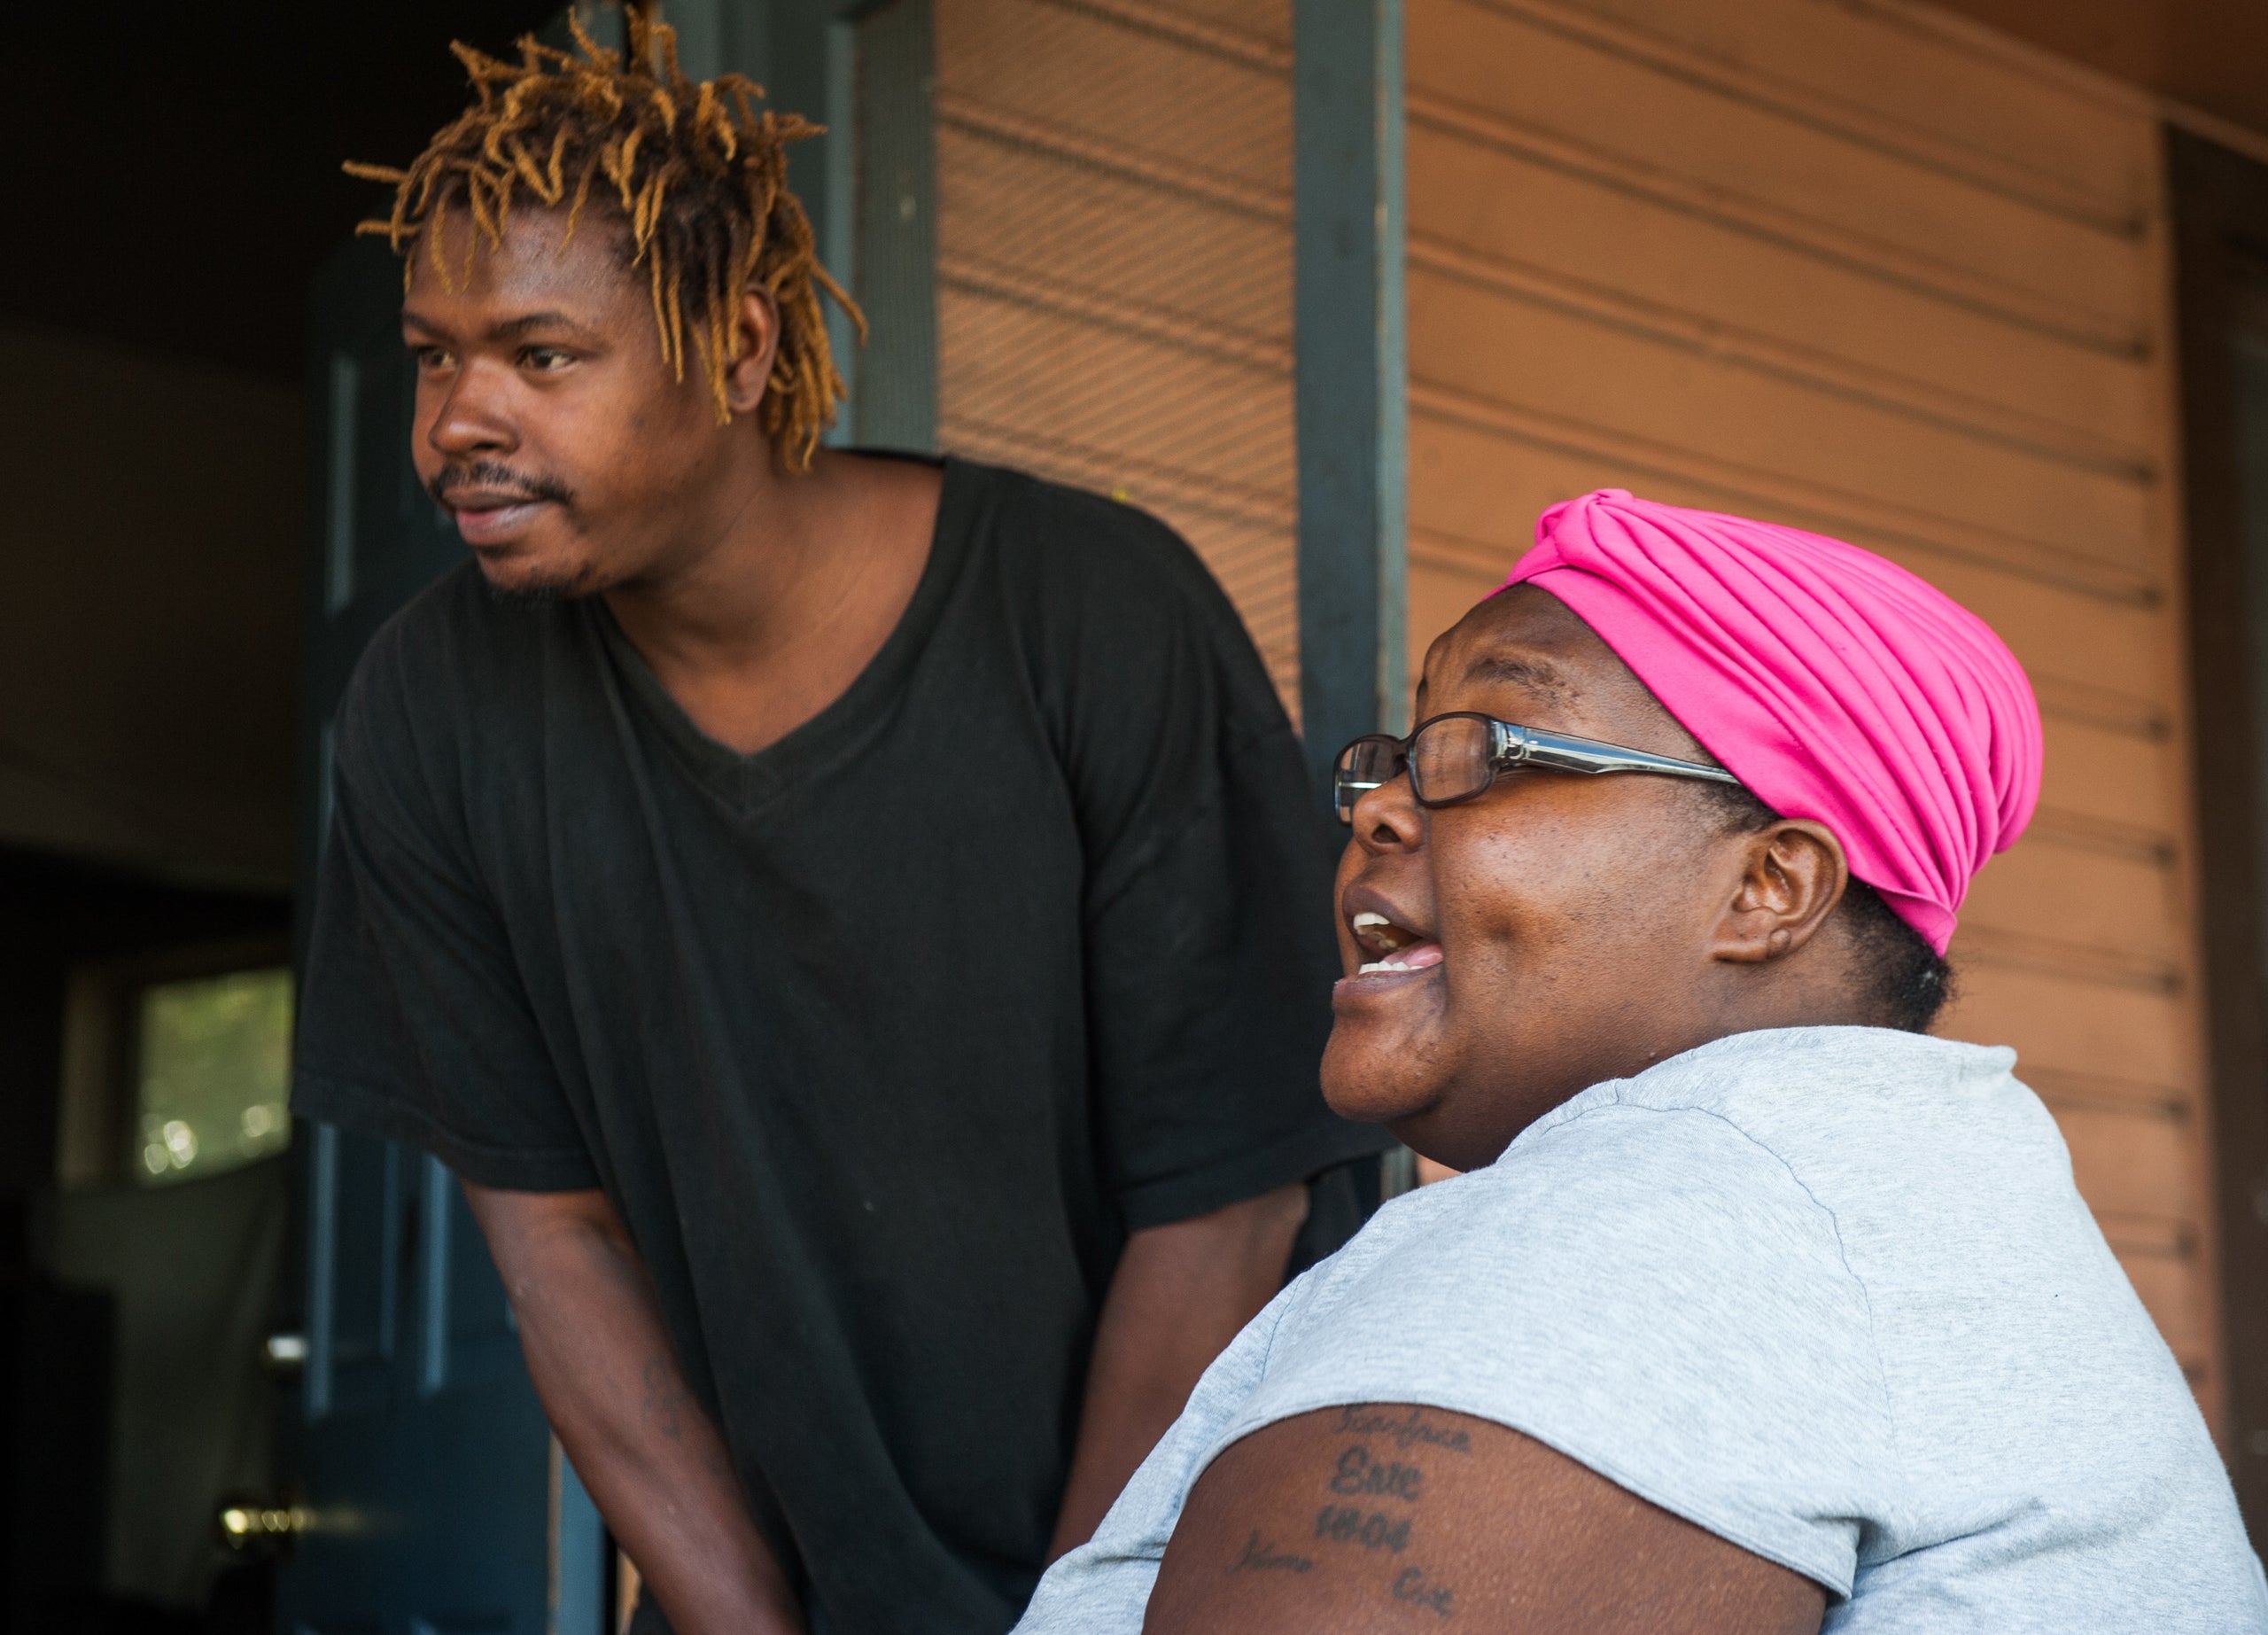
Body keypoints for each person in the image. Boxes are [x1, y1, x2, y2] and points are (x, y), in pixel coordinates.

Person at [290, 17, 1386, 1634]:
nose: (457, 418)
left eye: (541, 354)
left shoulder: (1091, 616)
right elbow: (554, 1245)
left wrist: (1069, 1623)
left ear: (738, 350)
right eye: (433, 353)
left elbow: (1226, 1203)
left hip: (1176, 1587)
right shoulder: (429, 711)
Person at [1015, 488, 2268, 1632]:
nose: (1383, 805)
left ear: (1769, 887)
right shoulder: (1892, 1191)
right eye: (1401, 753)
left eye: (1487, 747)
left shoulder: (1670, 1215)